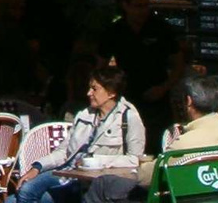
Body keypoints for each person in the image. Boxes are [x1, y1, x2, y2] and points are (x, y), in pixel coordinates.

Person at [81, 75, 218, 202]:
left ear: (189, 101)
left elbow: (150, 177)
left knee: (103, 184)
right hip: (213, 193)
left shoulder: (186, 142)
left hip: (183, 195)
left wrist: (138, 169)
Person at [13, 66, 144, 203]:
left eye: (94, 89)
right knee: (25, 191)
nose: (88, 93)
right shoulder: (84, 115)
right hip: (66, 172)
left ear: (111, 92)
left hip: (89, 181)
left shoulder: (129, 117)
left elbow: (135, 159)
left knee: (21, 198)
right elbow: (64, 151)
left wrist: (97, 161)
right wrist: (38, 167)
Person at [98, 0, 185, 149]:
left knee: (159, 145)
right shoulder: (115, 31)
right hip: (126, 98)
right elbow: (100, 68)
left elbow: (179, 64)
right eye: (138, 6)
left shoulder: (160, 28)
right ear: (126, 5)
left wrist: (163, 88)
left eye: (146, 5)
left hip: (157, 99)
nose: (143, 11)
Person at [0, 0, 42, 97]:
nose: (20, 13)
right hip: (11, 89)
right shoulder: (11, 30)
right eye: (17, 8)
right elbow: (20, 58)